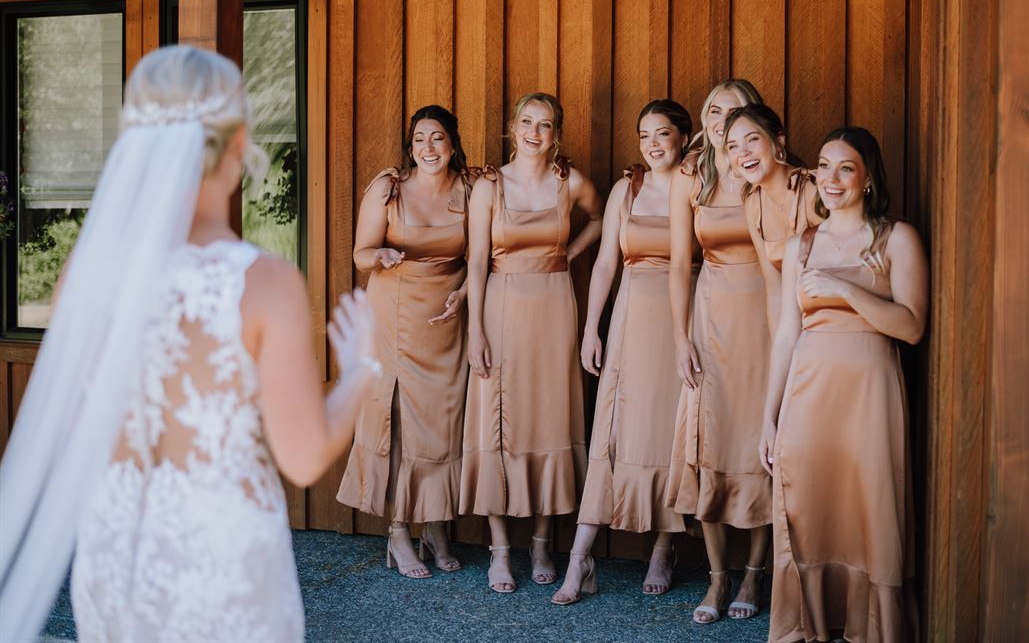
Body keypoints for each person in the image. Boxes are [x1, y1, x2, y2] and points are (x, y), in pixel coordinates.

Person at [0, 45, 379, 643]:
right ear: (239, 142)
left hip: (114, 562)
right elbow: (304, 458)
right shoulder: (262, 282)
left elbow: (75, 423)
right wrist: (361, 369)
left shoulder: (84, 274)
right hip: (222, 568)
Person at [759, 128, 927, 642]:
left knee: (870, 509)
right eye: (824, 167)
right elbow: (786, 334)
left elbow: (912, 327)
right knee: (809, 506)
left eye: (846, 168)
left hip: (870, 396)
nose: (831, 179)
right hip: (807, 392)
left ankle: (872, 629)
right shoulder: (801, 244)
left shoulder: (897, 238)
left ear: (868, 177)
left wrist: (845, 289)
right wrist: (768, 416)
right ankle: (810, 626)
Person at [459, 92, 602, 593]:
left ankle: (542, 542)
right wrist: (475, 329)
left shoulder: (571, 182)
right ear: (513, 128)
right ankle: (500, 549)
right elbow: (477, 261)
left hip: (554, 305)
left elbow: (601, 219)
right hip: (501, 305)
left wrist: (569, 253)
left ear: (556, 133)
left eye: (544, 125)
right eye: (526, 122)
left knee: (549, 415)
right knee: (497, 418)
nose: (533, 133)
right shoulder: (489, 186)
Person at [551, 100, 693, 606]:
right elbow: (606, 262)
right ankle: (580, 558)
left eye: (663, 133)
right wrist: (592, 328)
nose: (652, 144)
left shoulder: (697, 187)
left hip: (680, 322)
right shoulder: (625, 189)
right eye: (644, 135)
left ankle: (663, 547)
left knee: (668, 431)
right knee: (611, 431)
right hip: (630, 320)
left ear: (684, 138)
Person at [338, 105, 471, 579]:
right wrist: (381, 253)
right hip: (393, 315)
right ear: (410, 146)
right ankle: (397, 531)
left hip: (447, 318)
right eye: (419, 139)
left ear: (452, 143)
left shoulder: (471, 189)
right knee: (397, 420)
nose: (428, 148)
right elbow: (360, 254)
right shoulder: (388, 188)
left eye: (437, 138)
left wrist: (464, 292)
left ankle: (435, 526)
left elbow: (483, 256)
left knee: (441, 421)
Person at [665, 80, 774, 623]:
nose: (721, 121)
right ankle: (716, 577)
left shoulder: (771, 173)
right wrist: (680, 337)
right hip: (709, 319)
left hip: (765, 320)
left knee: (759, 446)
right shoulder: (690, 177)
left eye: (733, 112)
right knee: (708, 439)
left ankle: (754, 573)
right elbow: (678, 264)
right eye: (713, 111)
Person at [725, 103, 823, 334]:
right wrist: (781, 349)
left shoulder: (812, 191)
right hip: (794, 327)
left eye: (752, 139)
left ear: (779, 141)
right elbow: (775, 290)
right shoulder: (753, 204)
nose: (743, 152)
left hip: (834, 322)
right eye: (733, 146)